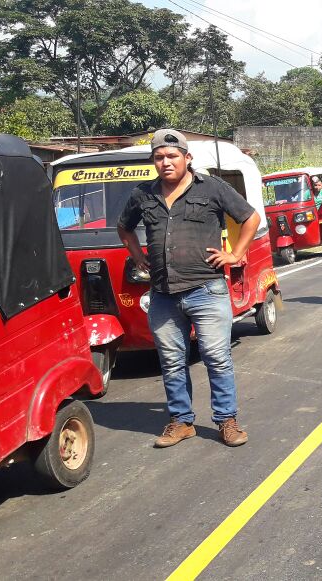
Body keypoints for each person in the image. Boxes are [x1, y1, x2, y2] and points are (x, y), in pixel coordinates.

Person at [117, 129, 260, 448]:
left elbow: (250, 217)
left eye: (171, 156)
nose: (165, 162)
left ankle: (226, 421)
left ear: (187, 158)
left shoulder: (211, 188)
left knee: (216, 356)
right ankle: (181, 422)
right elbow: (124, 228)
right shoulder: (143, 194)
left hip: (206, 290)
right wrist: (138, 255)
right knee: (171, 359)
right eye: (159, 157)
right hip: (163, 295)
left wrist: (235, 254)